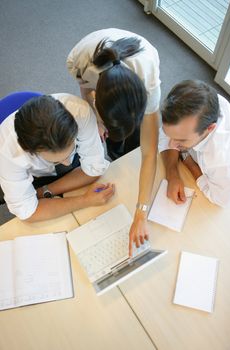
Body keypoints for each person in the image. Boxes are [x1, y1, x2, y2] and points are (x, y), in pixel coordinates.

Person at [67, 28, 161, 255]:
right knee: (110, 138)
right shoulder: (79, 63)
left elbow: (150, 153)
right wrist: (97, 122)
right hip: (89, 56)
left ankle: (122, 140)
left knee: (139, 140)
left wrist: (141, 212)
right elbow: (85, 90)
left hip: (137, 55)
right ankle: (114, 142)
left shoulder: (148, 83)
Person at [0, 93, 115, 222]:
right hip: (31, 174)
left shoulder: (80, 112)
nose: (67, 164)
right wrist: (85, 200)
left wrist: (44, 192)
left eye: (70, 150)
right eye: (57, 160)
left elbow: (94, 170)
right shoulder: (8, 153)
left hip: (43, 183)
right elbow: (28, 213)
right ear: (29, 151)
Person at [159, 80, 230, 207]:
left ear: (209, 128)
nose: (171, 145)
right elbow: (165, 134)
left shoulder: (221, 163)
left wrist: (189, 163)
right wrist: (172, 174)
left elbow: (221, 199)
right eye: (171, 136)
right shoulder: (197, 104)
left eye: (182, 140)